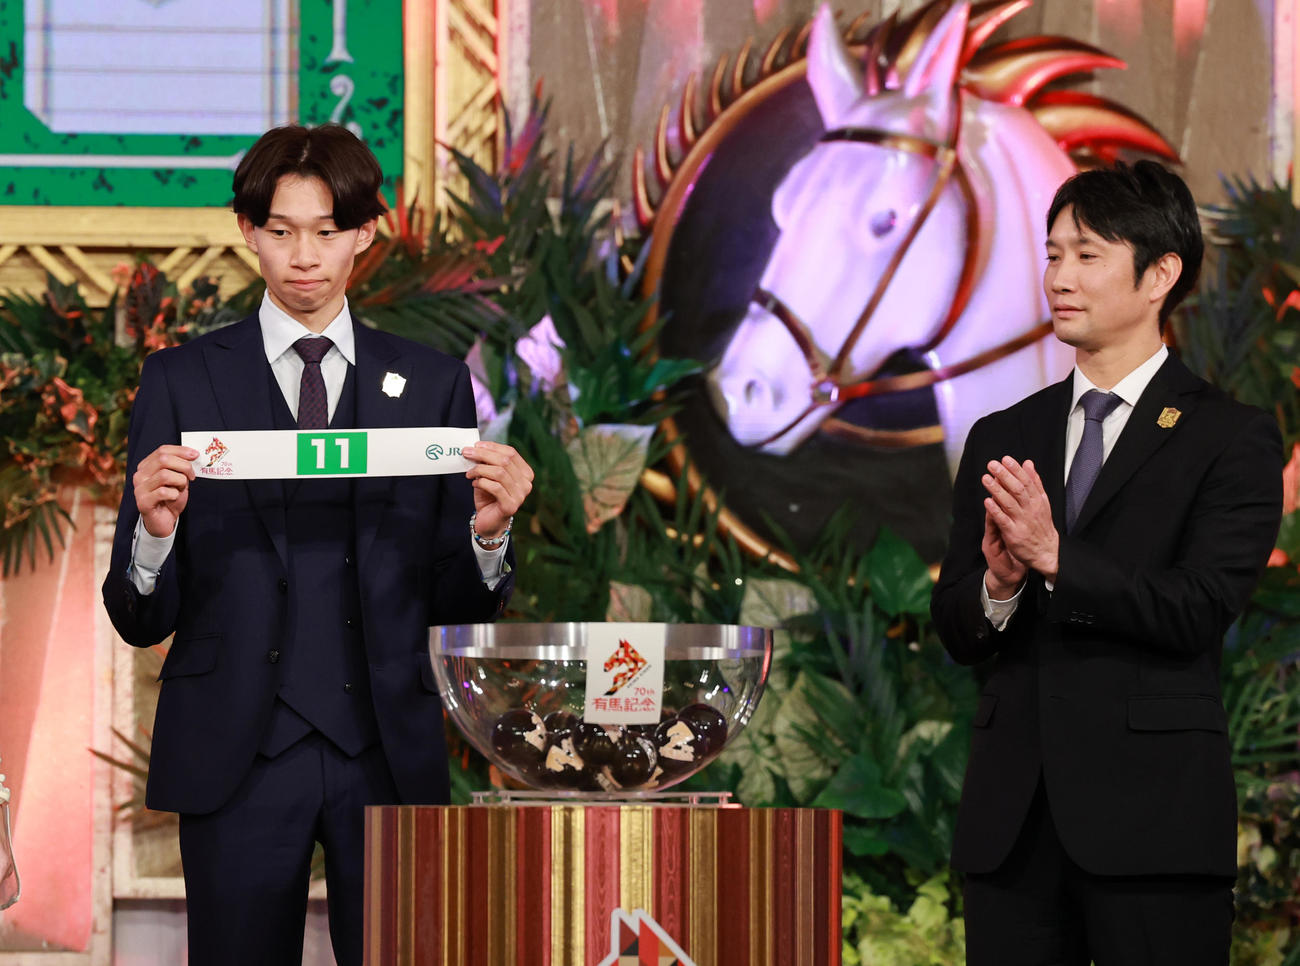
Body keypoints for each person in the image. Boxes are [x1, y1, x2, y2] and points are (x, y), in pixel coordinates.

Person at [101, 124, 534, 966]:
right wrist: (153, 536)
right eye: (281, 229)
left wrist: (488, 535)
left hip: (387, 748)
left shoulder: (433, 384)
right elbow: (138, 617)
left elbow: (456, 602)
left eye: (328, 231)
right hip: (236, 752)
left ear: (365, 232)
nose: (304, 256)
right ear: (248, 230)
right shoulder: (181, 381)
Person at [930, 160, 1283, 965]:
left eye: (1088, 255)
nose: (1060, 277)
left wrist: (1057, 559)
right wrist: (999, 586)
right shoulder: (1003, 434)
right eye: (1053, 254)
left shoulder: (1227, 437)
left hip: (1154, 826)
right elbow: (955, 627)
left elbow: (1197, 607)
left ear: (1159, 275)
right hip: (1013, 832)